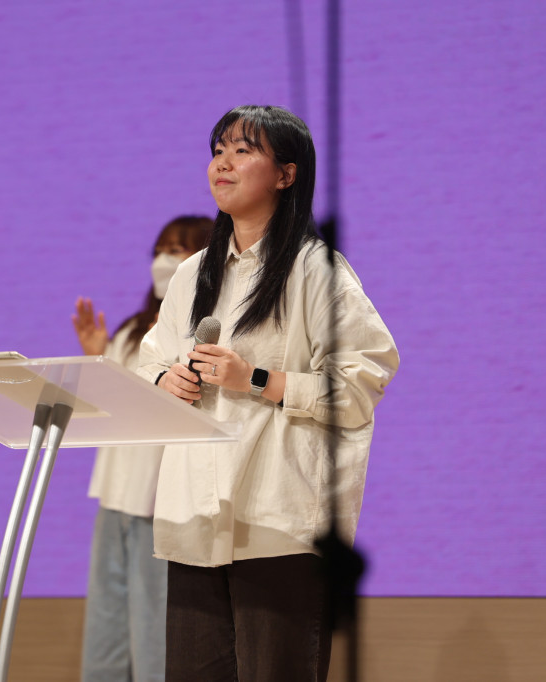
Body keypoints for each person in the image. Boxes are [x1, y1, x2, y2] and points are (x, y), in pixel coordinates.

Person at [137, 105, 399, 681]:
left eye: (242, 150)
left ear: (286, 174)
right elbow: (150, 358)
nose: (223, 163)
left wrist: (256, 379)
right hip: (194, 520)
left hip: (279, 521)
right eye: (218, 151)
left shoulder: (316, 270)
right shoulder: (193, 274)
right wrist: (164, 379)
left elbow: (362, 380)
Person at [73, 216, 213, 682]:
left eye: (177, 250)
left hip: (161, 502)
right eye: (159, 251)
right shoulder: (133, 329)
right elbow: (110, 407)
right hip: (115, 494)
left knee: (155, 628)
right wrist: (97, 355)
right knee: (107, 623)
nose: (162, 262)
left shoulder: (202, 329)